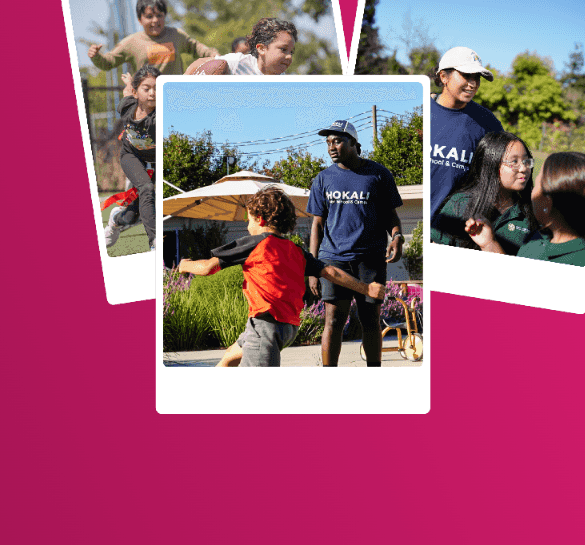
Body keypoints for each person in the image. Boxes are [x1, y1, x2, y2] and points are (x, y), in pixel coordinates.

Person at [177, 185, 386, 367]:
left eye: (248, 220)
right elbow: (330, 271)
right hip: (288, 326)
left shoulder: (255, 243)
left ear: (260, 219)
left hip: (265, 327)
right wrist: (365, 288)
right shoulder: (295, 250)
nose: (246, 225)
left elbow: (207, 268)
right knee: (229, 359)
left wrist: (184, 265)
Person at [306, 120, 404, 367]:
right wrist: (312, 267)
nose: (331, 147)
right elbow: (317, 225)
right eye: (328, 142)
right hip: (333, 259)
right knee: (333, 321)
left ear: (354, 144)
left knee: (370, 319)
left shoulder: (378, 174)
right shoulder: (323, 179)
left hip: (370, 258)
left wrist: (397, 236)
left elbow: (390, 215)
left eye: (337, 141)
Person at [466, 153, 585, 266]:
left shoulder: (578, 261)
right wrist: (489, 243)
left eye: (536, 184)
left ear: (547, 203)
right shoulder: (538, 240)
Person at [429, 47, 504, 225]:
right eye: (466, 75)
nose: (473, 84)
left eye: (477, 78)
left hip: (453, 229)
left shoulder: (487, 123)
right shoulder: (420, 109)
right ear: (443, 77)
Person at [430, 131, 538, 254]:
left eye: (526, 161)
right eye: (514, 162)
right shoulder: (458, 205)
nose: (524, 168)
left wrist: (490, 245)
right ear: (491, 164)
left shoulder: (532, 215)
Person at [87, 0, 218, 75]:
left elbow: (196, 47)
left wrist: (214, 55)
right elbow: (108, 62)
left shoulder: (176, 35)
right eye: (149, 16)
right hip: (147, 105)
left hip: (175, 97)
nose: (155, 20)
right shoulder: (131, 42)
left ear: (165, 16)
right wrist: (96, 57)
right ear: (140, 20)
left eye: (159, 15)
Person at [111, 66, 161, 249]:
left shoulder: (160, 116)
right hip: (131, 156)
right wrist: (128, 82)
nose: (152, 93)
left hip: (157, 161)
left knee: (132, 216)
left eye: (157, 88)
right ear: (135, 91)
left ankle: (117, 219)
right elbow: (126, 92)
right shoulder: (126, 105)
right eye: (147, 89)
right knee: (147, 188)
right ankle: (155, 243)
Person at [182, 17, 298, 76]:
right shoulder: (237, 62)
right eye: (283, 49)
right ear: (262, 49)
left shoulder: (283, 81)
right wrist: (180, 83)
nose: (289, 57)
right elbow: (202, 61)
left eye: (291, 52)